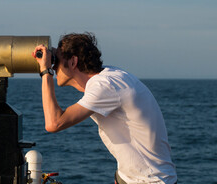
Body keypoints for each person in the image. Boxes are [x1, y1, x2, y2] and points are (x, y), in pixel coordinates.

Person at [32, 33, 177, 184]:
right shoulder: (109, 76)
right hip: (135, 178)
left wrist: (45, 72)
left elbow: (53, 123)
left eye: (57, 61)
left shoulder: (105, 86)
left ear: (73, 61)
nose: (54, 67)